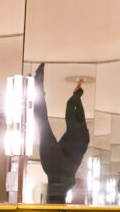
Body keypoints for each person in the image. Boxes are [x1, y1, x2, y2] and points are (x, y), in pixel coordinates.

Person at [33, 63, 90, 204]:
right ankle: (37, 84)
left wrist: (75, 98)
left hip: (64, 166)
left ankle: (39, 84)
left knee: (44, 124)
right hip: (53, 165)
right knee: (42, 123)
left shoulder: (69, 181)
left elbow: (78, 130)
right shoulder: (57, 172)